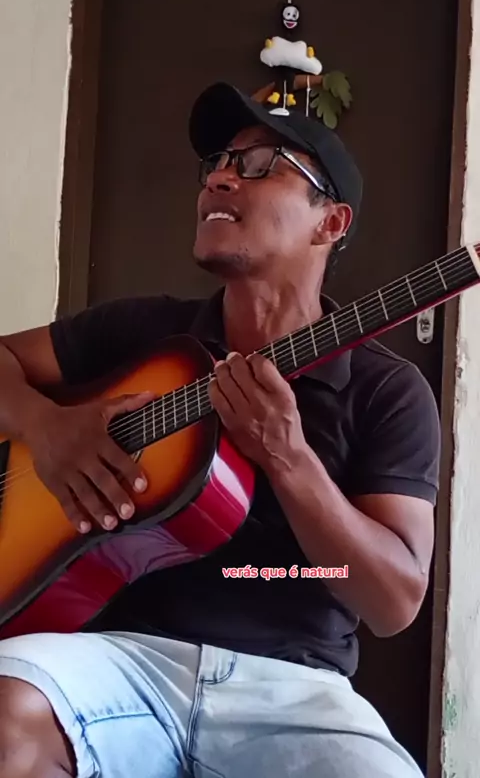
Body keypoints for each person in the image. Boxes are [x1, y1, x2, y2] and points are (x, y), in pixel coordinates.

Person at [0, 81, 440, 778]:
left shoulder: (389, 391)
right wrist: (45, 426)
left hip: (295, 689)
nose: (220, 179)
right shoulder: (142, 333)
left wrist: (288, 458)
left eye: (261, 164)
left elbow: (394, 601)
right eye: (218, 164)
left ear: (330, 223)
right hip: (118, 657)